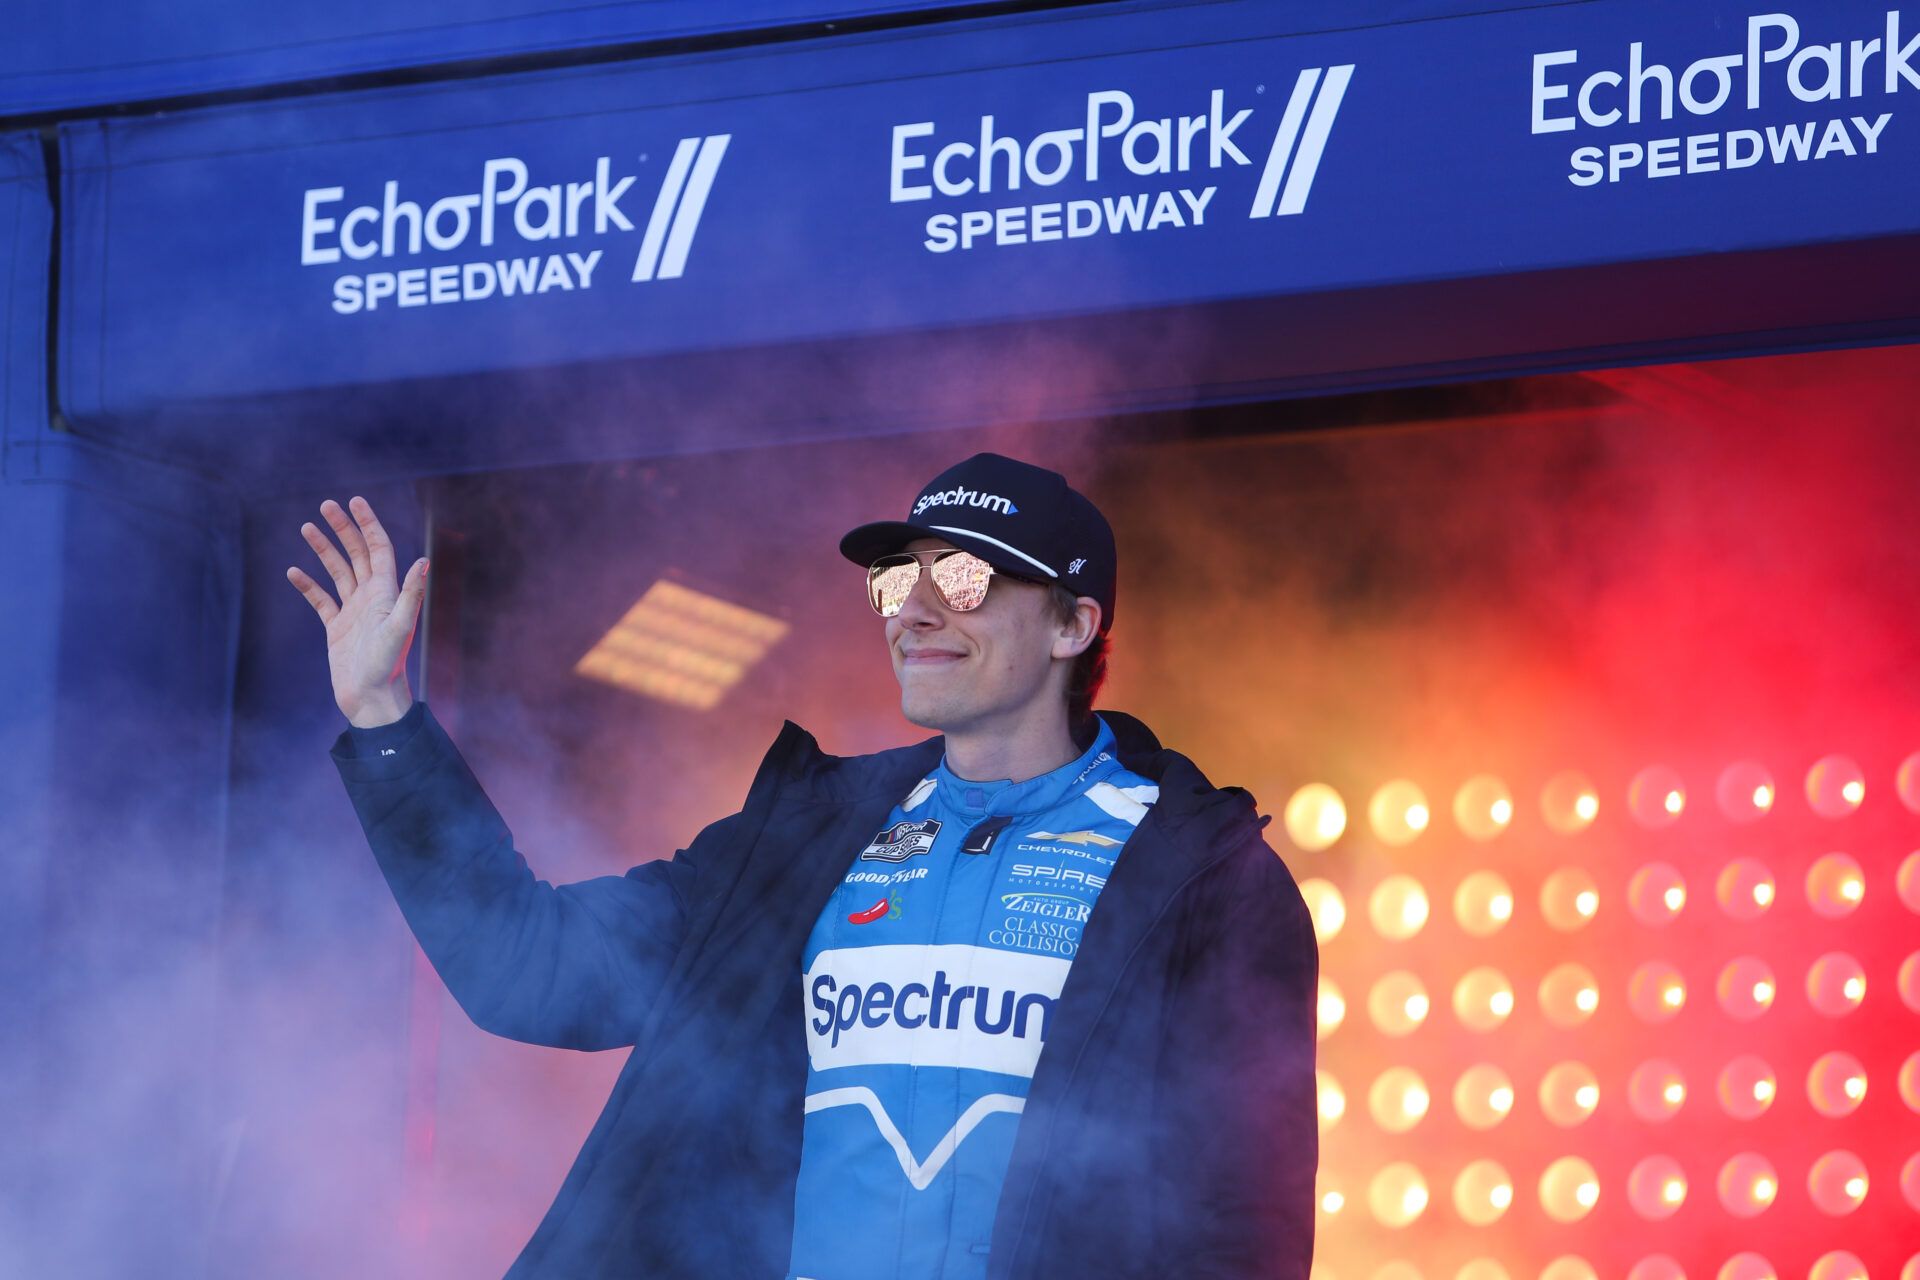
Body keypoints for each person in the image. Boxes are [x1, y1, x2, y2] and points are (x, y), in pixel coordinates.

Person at [288, 452, 1318, 1279]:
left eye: (964, 580)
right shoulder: (801, 841)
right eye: (897, 581)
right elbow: (529, 966)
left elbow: (1244, 1225)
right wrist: (385, 720)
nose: (913, 612)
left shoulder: (1205, 877)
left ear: (1072, 624)